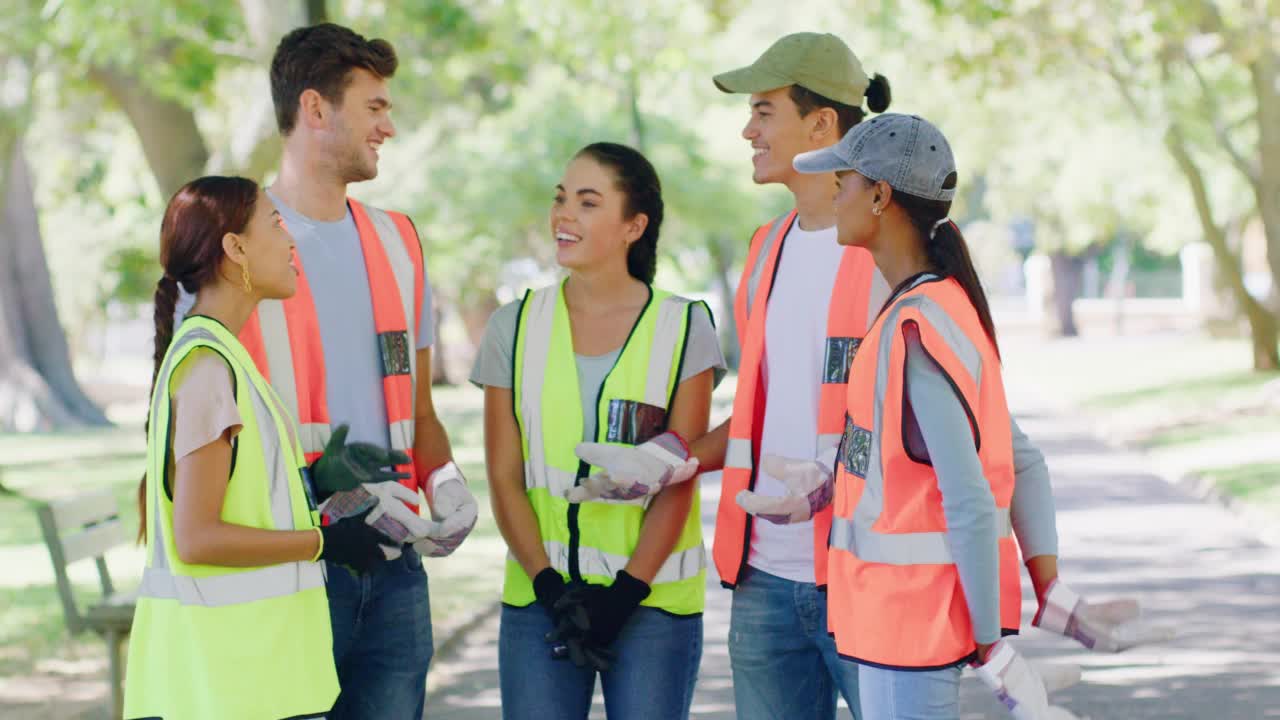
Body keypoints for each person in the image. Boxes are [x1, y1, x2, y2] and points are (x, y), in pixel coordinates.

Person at [175, 23, 477, 718]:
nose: (388, 127)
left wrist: (449, 485)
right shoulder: (238, 246)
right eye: (374, 107)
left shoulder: (399, 242)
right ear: (315, 109)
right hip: (289, 568)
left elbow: (419, 411)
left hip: (396, 569)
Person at [793, 113, 1077, 719]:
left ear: (879, 196)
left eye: (842, 181)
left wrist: (989, 647)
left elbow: (969, 495)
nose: (833, 194)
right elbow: (1017, 456)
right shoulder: (941, 309)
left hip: (908, 624)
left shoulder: (913, 328)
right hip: (902, 623)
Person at [125, 176, 407, 720]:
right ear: (235, 249)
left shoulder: (224, 359)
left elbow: (240, 493)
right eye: (276, 224)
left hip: (252, 680)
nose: (290, 240)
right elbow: (197, 537)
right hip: (227, 684)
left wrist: (317, 480)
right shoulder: (210, 369)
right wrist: (323, 543)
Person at [471, 142, 724, 720]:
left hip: (652, 603)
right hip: (542, 601)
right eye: (561, 199)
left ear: (634, 225)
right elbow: (505, 477)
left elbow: (681, 475)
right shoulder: (514, 325)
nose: (564, 215)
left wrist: (625, 596)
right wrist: (548, 588)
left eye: (588, 203)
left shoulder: (684, 327)